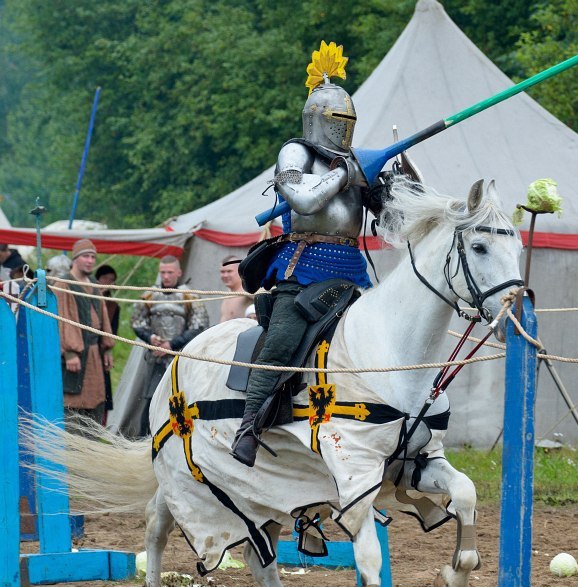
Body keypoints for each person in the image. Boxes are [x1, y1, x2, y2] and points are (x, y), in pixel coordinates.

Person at [231, 41, 414, 467]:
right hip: (304, 271)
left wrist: (393, 184)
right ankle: (249, 426)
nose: (342, 129)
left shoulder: (355, 162)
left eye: (348, 121)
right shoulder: (298, 153)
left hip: (352, 275)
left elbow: (394, 227)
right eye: (336, 120)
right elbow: (304, 200)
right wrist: (345, 174)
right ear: (317, 119)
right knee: (281, 343)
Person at [131, 255, 209, 436]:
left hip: (180, 358)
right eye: (163, 272)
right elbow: (137, 322)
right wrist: (151, 338)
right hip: (155, 358)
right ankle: (147, 441)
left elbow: (199, 326)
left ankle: (181, 441)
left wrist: (172, 344)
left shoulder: (190, 295)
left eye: (170, 272)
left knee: (180, 401)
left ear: (179, 272)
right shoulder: (149, 295)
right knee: (152, 401)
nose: (166, 276)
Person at [51, 239, 115, 425]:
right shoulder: (64, 284)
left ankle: (91, 446)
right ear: (76, 258)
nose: (90, 260)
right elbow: (62, 319)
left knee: (94, 400)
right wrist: (70, 352)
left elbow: (103, 317)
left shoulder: (94, 284)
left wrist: (108, 347)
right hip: (75, 355)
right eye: (85, 256)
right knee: (73, 403)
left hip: (94, 353)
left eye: (93, 257)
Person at [95, 263, 120, 417]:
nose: (108, 283)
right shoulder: (86, 297)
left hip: (102, 351)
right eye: (105, 278)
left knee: (103, 394)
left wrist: (107, 350)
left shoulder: (113, 306)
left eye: (111, 280)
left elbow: (113, 332)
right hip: (85, 349)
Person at [217, 256, 251, 323]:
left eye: (229, 271)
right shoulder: (227, 293)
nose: (225, 275)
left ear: (239, 271)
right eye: (222, 272)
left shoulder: (249, 289)